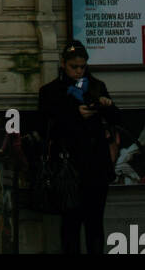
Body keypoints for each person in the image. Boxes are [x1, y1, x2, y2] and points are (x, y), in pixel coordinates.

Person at [38, 40, 119, 254]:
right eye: (74, 66)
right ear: (63, 64)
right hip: (69, 169)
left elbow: (116, 117)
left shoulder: (96, 86)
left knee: (95, 225)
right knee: (70, 226)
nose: (79, 71)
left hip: (96, 166)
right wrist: (75, 115)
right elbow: (46, 127)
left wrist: (105, 106)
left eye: (82, 66)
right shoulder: (50, 91)